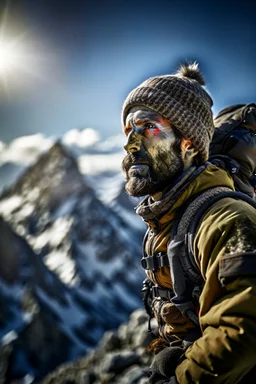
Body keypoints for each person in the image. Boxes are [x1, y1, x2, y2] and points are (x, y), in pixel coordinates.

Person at [121, 62, 256, 383]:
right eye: (128, 131)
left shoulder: (227, 220)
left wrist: (178, 378)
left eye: (148, 127)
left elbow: (243, 330)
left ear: (189, 143)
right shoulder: (169, 215)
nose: (131, 144)